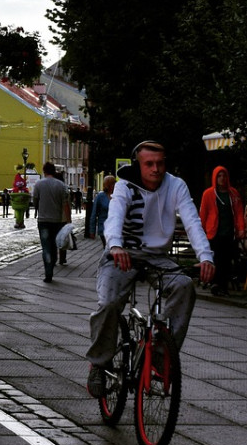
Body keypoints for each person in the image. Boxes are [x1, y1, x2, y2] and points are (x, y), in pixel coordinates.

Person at [86, 141, 215, 398]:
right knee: (109, 304)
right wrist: (115, 245)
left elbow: (192, 221)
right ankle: (99, 363)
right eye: (149, 164)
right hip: (122, 255)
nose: (156, 169)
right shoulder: (124, 186)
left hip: (157, 257)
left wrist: (205, 257)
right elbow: (115, 216)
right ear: (138, 165)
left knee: (184, 286)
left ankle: (160, 353)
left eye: (160, 163)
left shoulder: (176, 185)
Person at [199, 166, 245, 296]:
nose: (222, 178)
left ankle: (223, 285)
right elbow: (203, 213)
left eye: (224, 175)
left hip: (229, 232)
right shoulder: (208, 194)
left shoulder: (233, 194)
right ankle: (215, 283)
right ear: (215, 178)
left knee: (227, 260)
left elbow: (239, 212)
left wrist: (241, 228)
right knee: (216, 258)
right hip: (214, 232)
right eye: (219, 176)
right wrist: (201, 230)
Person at [31, 162, 71, 280]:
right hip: (57, 221)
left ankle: (48, 270)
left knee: (46, 246)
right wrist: (68, 221)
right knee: (54, 245)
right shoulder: (61, 185)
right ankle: (53, 262)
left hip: (43, 220)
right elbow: (66, 204)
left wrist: (39, 208)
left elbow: (35, 201)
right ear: (53, 171)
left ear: (44, 171)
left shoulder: (38, 184)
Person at [89, 175, 115, 245]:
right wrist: (92, 230)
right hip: (104, 227)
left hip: (115, 227)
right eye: (112, 183)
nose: (114, 185)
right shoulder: (100, 196)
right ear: (107, 185)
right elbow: (94, 214)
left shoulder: (117, 195)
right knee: (108, 246)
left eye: (114, 183)